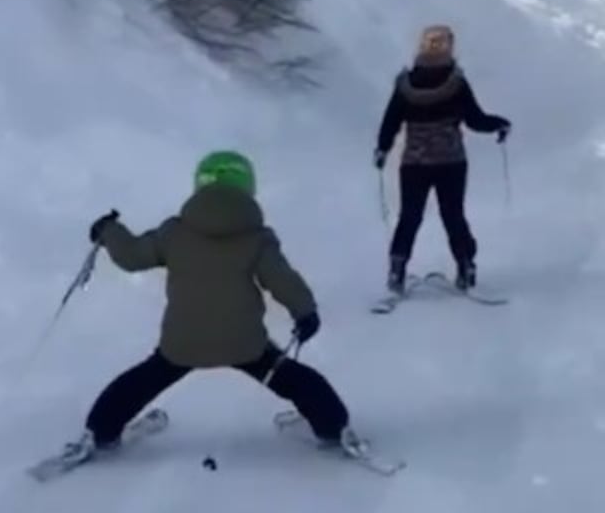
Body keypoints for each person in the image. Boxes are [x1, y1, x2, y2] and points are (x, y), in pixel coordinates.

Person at [81, 150, 357, 453]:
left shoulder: (174, 232)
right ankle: (333, 427)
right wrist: (305, 312)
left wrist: (109, 231)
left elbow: (132, 257)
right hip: (244, 342)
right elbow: (282, 279)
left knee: (142, 382)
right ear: (248, 188)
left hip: (182, 342)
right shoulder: (257, 238)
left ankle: (100, 431)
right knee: (295, 380)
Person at [373, 25, 511, 294]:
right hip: (451, 161)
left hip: (414, 163)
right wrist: (500, 124)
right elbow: (475, 120)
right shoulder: (456, 84)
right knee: (453, 215)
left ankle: (397, 270)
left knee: (410, 216)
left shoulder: (405, 84)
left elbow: (390, 121)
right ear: (450, 47)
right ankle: (465, 266)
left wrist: (382, 149)